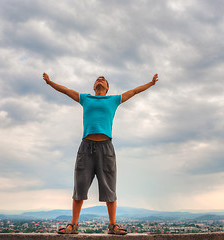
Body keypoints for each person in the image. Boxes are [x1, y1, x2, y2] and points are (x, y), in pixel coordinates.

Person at [42, 72, 158, 235]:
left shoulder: (114, 100)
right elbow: (66, 90)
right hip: (86, 147)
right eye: (98, 79)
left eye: (103, 79)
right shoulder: (85, 98)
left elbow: (134, 91)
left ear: (107, 88)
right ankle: (73, 225)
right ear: (94, 86)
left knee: (109, 187)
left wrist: (151, 83)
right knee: (79, 186)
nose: (100, 79)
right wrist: (50, 82)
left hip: (106, 147)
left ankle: (112, 226)